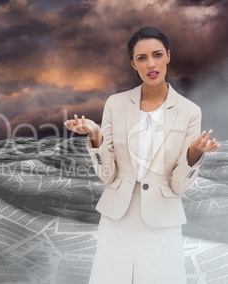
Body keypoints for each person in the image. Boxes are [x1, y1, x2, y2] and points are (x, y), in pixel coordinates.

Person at [64, 26, 220, 284]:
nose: (151, 64)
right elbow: (108, 175)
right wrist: (95, 135)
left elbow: (178, 186)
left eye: (157, 55)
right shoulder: (115, 103)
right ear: (133, 64)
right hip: (117, 220)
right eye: (142, 58)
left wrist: (193, 153)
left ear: (168, 55)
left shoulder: (190, 111)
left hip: (162, 222)